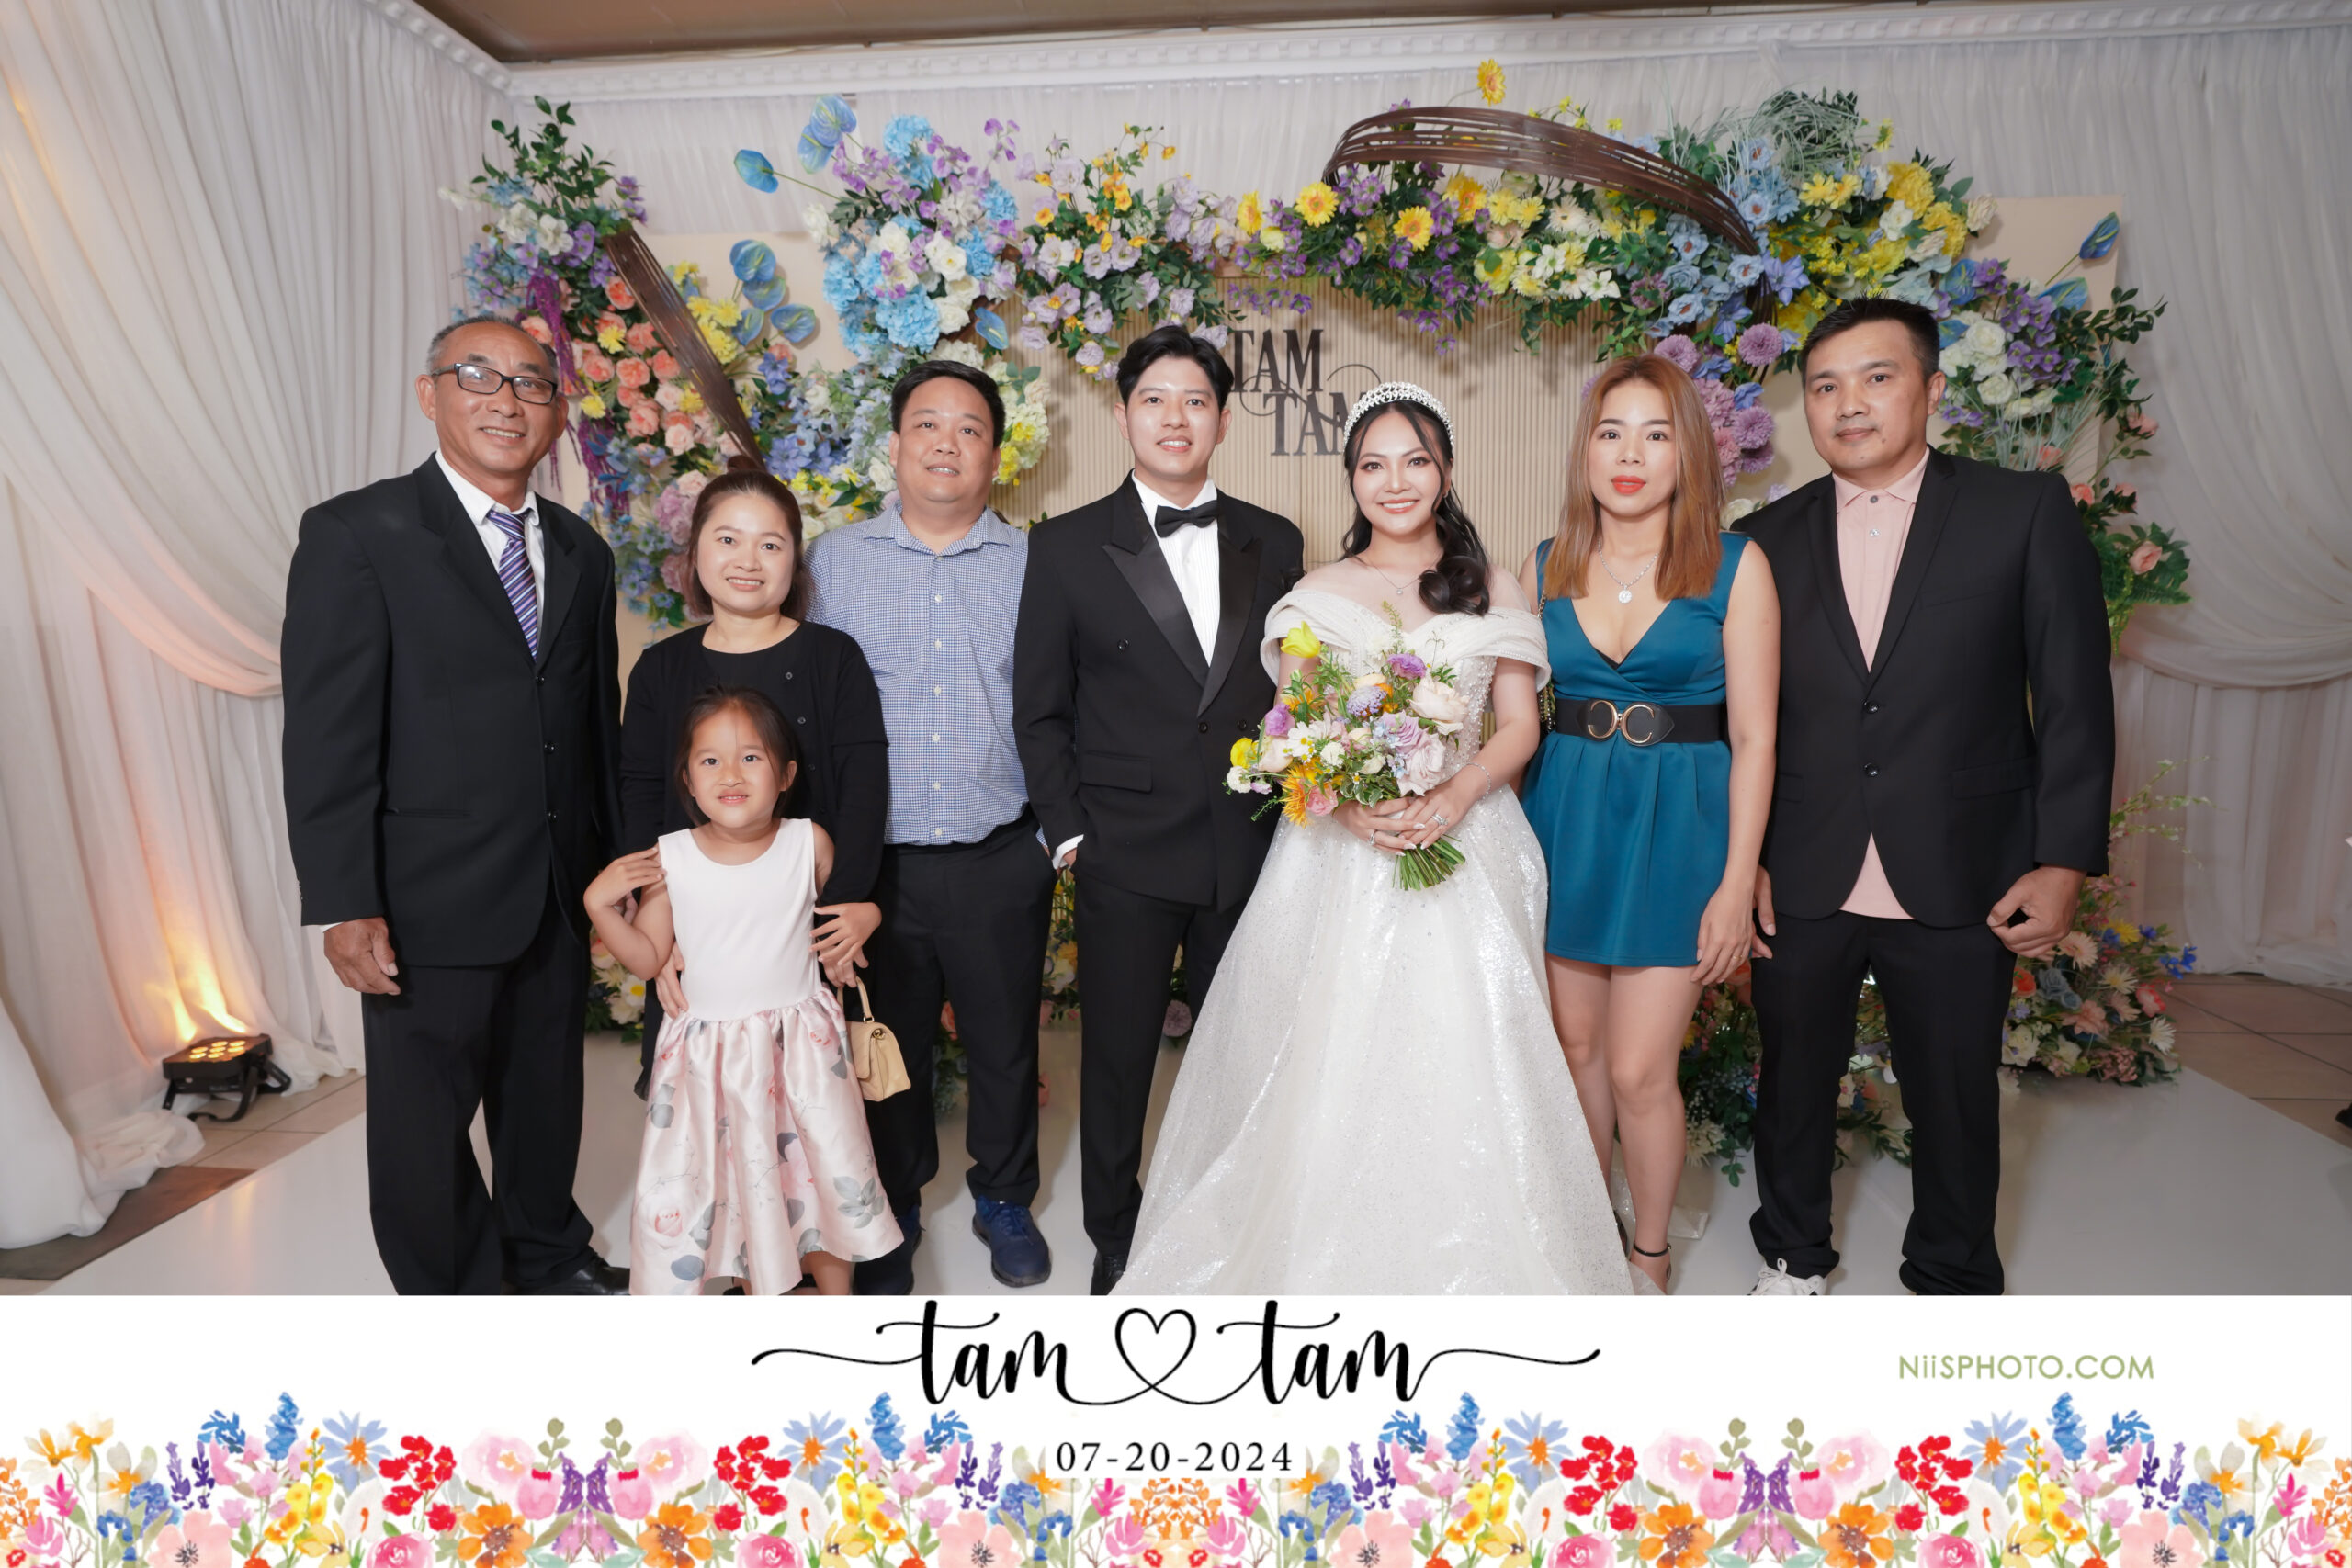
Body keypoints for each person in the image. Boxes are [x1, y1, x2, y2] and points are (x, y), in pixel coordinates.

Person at [1114, 383, 1632, 1296]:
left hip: (1471, 840)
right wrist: (1349, 805)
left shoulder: (1495, 586)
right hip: (1343, 854)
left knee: (1471, 1050)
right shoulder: (1317, 593)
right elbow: (1293, 726)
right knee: (1335, 1049)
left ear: (1445, 471)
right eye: (1372, 464)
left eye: (1415, 461)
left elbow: (1520, 724)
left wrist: (1457, 792)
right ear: (1351, 479)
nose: (1395, 482)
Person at [1738, 297, 2114, 1297]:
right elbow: (1739, 718)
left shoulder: (2019, 511)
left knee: (1953, 1093)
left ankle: (1950, 1274)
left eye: (1877, 377)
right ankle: (1791, 1257)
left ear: (1932, 389)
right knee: (1791, 1081)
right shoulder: (1760, 538)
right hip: (1800, 864)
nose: (1849, 404)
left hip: (1963, 862)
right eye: (1824, 386)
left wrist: (2064, 860)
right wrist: (1743, 862)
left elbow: (2074, 696)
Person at [281, 315, 626, 1295]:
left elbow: (594, 724)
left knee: (545, 1092)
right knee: (425, 1123)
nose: (507, 402)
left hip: (555, 885)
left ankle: (547, 1252)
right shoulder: (358, 533)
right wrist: (345, 899)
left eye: (532, 383)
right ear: (429, 394)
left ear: (555, 413)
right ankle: (454, 1297)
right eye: (480, 377)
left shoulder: (582, 549)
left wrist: (614, 870)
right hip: (423, 894)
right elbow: (327, 734)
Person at [1015, 325, 1306, 1295]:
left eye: (1195, 401)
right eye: (1154, 399)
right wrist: (1070, 835)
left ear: (1222, 420)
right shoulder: (1063, 545)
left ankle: (1226, 1228)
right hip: (1123, 851)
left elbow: (1292, 691)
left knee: (1241, 1054)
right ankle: (1115, 1235)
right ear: (1123, 415)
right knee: (1117, 1059)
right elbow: (1040, 707)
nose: (1175, 417)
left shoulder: (1277, 539)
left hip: (1245, 843)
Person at [1517, 355, 1780, 1292]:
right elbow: (1509, 715)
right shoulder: (1544, 563)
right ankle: (1588, 1235)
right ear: (1585, 450)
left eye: (1655, 434)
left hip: (1679, 832)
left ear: (1689, 452)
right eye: (1611, 432)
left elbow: (1755, 738)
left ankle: (1649, 1254)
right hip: (1565, 821)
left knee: (1638, 1069)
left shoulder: (1737, 566)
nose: (1630, 455)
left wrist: (1736, 881)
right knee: (1575, 1053)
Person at [805, 359, 1056, 1293]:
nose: (947, 443)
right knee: (887, 1047)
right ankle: (896, 1202)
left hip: (1001, 850)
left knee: (1004, 1043)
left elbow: (1062, 704)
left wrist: (1046, 842)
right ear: (896, 443)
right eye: (927, 424)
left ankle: (1004, 1196)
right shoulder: (832, 563)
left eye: (969, 428)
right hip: (875, 867)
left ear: (996, 454)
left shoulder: (1034, 565)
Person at [585, 688, 903, 1295]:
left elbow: (840, 915)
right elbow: (648, 956)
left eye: (751, 758)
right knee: (742, 1181)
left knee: (823, 1173)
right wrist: (598, 905)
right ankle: (766, 1297)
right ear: (687, 779)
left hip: (802, 1053)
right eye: (710, 761)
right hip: (714, 1063)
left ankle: (837, 1302)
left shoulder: (809, 842)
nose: (730, 774)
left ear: (786, 774)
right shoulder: (670, 858)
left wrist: (869, 914)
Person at [620, 470, 888, 1100]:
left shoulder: (834, 658)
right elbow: (640, 797)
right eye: (728, 539)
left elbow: (864, 790)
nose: (748, 560)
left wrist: (850, 907)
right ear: (695, 554)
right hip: (697, 937)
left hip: (811, 936)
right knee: (702, 1106)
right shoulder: (660, 669)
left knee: (811, 1105)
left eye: (770, 544)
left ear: (795, 561)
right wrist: (659, 931)